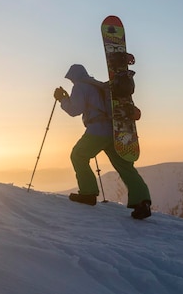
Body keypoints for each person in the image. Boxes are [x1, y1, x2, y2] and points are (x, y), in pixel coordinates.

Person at [54, 64, 152, 220]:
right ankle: (142, 201)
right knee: (125, 166)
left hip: (97, 131)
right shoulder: (101, 86)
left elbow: (75, 110)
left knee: (78, 155)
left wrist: (62, 99)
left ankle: (88, 193)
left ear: (74, 76)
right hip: (115, 131)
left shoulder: (80, 86)